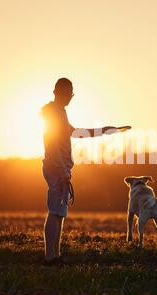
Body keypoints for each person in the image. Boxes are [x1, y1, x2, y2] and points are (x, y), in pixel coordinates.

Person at [41, 77, 130, 265]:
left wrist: (105, 130)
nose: (70, 97)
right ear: (58, 92)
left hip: (61, 168)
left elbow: (76, 133)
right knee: (54, 211)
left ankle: (56, 256)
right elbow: (52, 143)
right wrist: (62, 168)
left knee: (60, 212)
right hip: (56, 168)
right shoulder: (53, 113)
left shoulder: (60, 113)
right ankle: (50, 257)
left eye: (72, 94)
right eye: (68, 93)